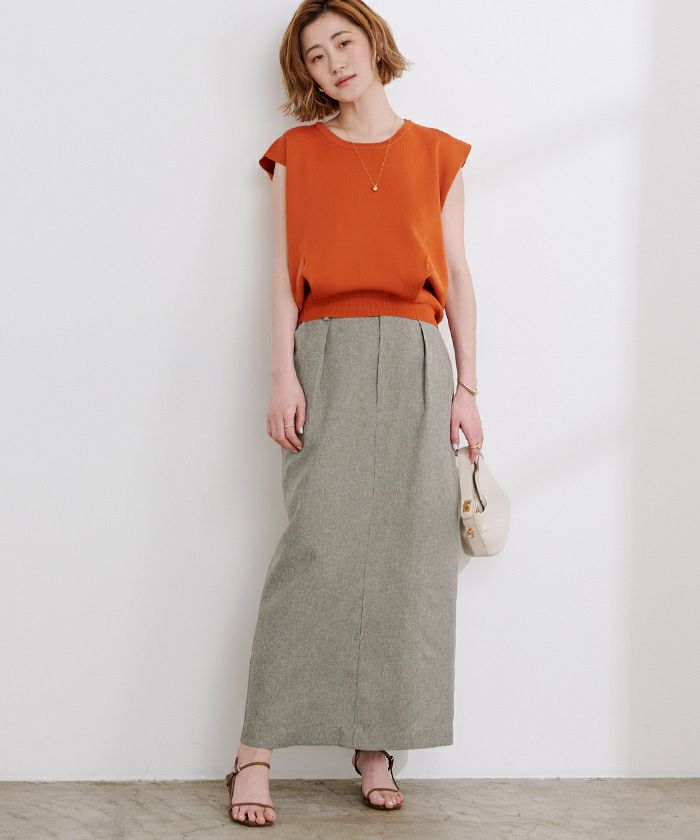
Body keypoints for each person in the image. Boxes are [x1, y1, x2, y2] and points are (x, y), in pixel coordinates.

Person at [226, 0, 484, 826]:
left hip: (416, 355)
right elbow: (280, 276)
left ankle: (375, 744)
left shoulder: (438, 153)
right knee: (317, 549)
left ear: (373, 43)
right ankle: (255, 750)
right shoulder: (296, 154)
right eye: (315, 54)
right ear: (305, 73)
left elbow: (458, 273)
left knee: (411, 556)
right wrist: (282, 376)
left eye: (343, 41)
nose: (334, 61)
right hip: (325, 352)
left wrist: (469, 387)